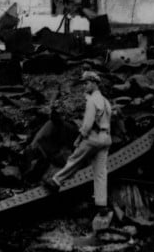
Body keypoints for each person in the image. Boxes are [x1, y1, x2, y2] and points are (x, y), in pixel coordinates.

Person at [48, 71, 113, 210]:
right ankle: (102, 204)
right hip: (106, 137)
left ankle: (56, 181)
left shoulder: (92, 101)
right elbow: (108, 121)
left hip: (93, 137)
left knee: (75, 159)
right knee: (101, 172)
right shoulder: (106, 102)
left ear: (94, 83)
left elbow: (87, 125)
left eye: (87, 82)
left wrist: (79, 138)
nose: (85, 86)